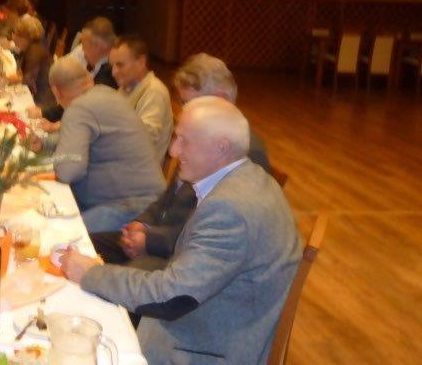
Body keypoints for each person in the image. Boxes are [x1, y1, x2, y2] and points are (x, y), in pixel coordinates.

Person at [61, 97, 301, 365]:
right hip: (214, 318)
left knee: (74, 337)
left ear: (221, 147)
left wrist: (91, 274)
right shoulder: (249, 177)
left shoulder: (229, 209)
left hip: (204, 348)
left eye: (184, 140)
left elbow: (171, 298)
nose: (173, 151)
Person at [92, 52, 272, 272]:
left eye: (192, 103)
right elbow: (169, 197)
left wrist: (149, 241)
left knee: (108, 277)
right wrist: (142, 224)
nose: (184, 111)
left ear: (221, 99)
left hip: (180, 259)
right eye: (183, 103)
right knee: (86, 245)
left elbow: (208, 232)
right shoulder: (196, 136)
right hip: (159, 238)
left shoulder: (243, 152)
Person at [47, 56, 164, 232]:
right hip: (151, 201)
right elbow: (83, 139)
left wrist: (51, 159)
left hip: (128, 208)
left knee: (56, 232)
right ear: (88, 78)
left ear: (56, 91)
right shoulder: (108, 94)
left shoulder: (78, 108)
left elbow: (68, 171)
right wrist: (45, 143)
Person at [32, 16, 118, 124]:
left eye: (84, 44)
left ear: (98, 46)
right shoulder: (95, 62)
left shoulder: (109, 74)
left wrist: (48, 117)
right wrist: (44, 113)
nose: (82, 49)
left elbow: (83, 111)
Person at [110, 35, 173, 163]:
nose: (114, 72)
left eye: (120, 65)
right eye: (112, 66)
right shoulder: (125, 88)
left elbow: (143, 140)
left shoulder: (154, 92)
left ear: (141, 62)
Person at [13, 15, 53, 109]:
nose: (14, 38)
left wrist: (8, 79)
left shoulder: (34, 52)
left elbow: (28, 81)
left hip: (42, 101)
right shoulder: (35, 47)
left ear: (26, 38)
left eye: (17, 35)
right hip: (39, 94)